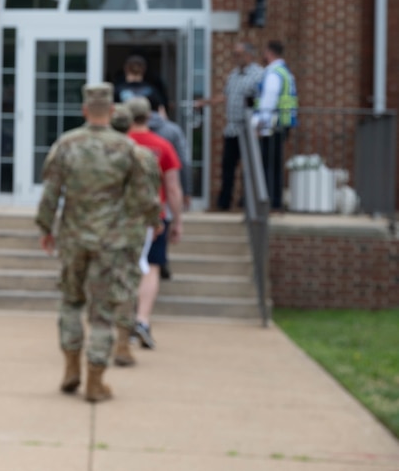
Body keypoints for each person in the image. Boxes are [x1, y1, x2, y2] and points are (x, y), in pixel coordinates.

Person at [35, 83, 160, 402]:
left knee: (70, 302)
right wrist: (152, 222)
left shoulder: (66, 144)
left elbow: (51, 191)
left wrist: (46, 228)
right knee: (102, 312)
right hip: (111, 241)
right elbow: (144, 198)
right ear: (113, 112)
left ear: (85, 110)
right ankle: (95, 381)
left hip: (73, 238)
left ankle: (70, 368)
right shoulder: (129, 149)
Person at [125, 96, 183, 351]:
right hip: (154, 217)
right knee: (152, 267)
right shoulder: (162, 146)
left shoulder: (119, 146)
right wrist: (177, 219)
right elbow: (172, 187)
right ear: (149, 117)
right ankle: (142, 320)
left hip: (122, 217)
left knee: (124, 267)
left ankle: (124, 322)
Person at [108, 104, 162, 368]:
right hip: (131, 230)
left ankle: (101, 339)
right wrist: (155, 221)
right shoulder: (143, 156)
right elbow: (150, 195)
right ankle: (122, 342)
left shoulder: (92, 152)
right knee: (129, 284)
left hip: (100, 228)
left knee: (102, 282)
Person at [196, 42, 265, 211]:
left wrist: (259, 125)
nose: (235, 58)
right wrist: (205, 102)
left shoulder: (259, 74)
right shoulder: (233, 74)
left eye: (238, 54)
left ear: (249, 55)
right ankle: (224, 202)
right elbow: (226, 96)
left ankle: (247, 202)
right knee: (228, 166)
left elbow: (263, 100)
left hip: (249, 129)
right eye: (234, 54)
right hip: (232, 128)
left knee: (248, 168)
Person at [254, 40, 298, 211]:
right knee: (275, 164)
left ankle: (269, 201)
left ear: (269, 53)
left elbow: (269, 100)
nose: (263, 56)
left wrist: (259, 124)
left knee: (268, 165)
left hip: (271, 124)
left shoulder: (273, 73)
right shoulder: (286, 72)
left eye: (265, 53)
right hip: (283, 123)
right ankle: (275, 200)